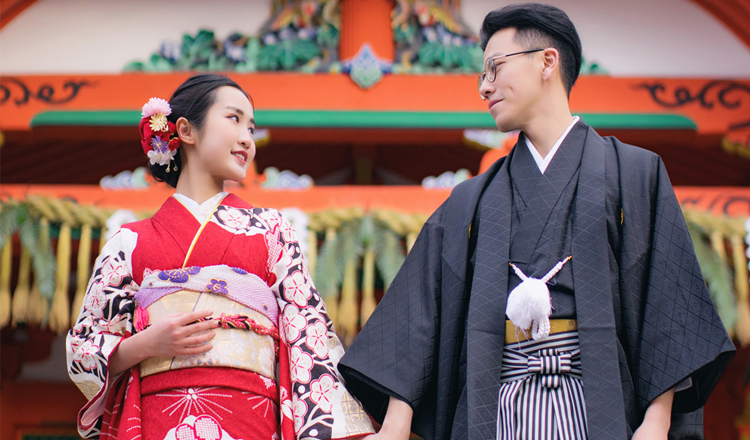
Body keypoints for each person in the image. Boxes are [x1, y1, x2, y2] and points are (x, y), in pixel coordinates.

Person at [338, 4, 735, 440]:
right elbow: (419, 312)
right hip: (495, 405)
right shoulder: (470, 201)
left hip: (598, 406)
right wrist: (396, 425)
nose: (485, 87)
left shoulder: (635, 174)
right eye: (482, 76)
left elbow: (666, 301)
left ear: (548, 61)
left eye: (494, 68)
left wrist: (656, 422)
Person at [67, 73, 374, 440]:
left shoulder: (272, 231)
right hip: (159, 418)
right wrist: (147, 345)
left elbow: (309, 334)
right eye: (234, 119)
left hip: (251, 417)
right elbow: (84, 346)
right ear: (185, 130)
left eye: (252, 127)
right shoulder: (129, 242)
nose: (248, 137)